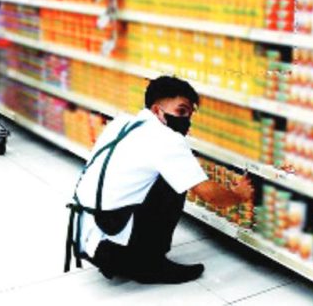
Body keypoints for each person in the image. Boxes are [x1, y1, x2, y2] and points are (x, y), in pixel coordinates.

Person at [64, 75, 253, 284]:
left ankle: (130, 257)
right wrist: (239, 195)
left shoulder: (121, 122)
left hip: (86, 237)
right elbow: (209, 194)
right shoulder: (166, 138)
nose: (186, 120)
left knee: (170, 175)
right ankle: (149, 265)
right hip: (111, 242)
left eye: (189, 114)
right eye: (180, 111)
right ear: (156, 110)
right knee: (174, 183)